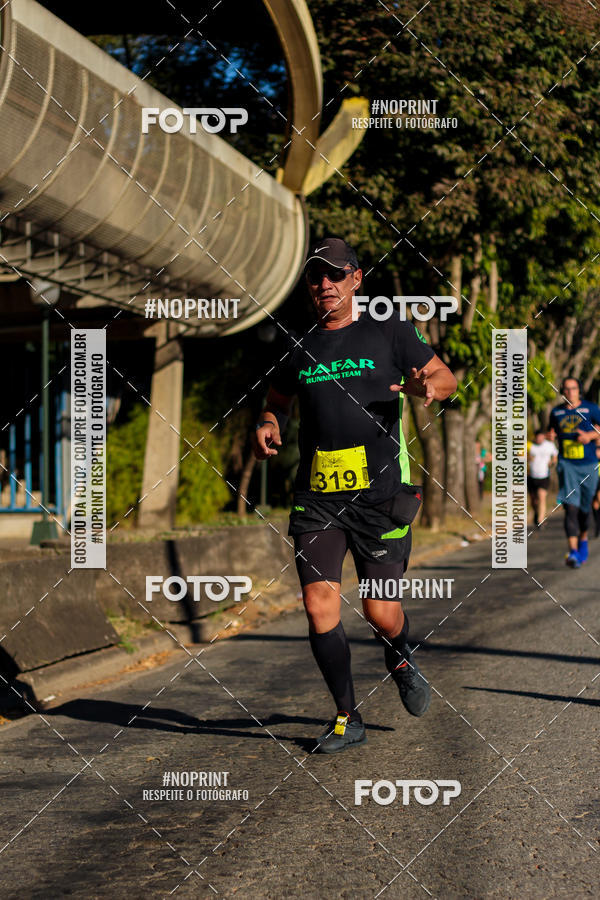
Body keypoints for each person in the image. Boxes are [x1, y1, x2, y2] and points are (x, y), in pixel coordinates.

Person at [252, 237, 457, 753]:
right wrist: (269, 422)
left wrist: (431, 387)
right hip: (318, 495)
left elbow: (444, 376)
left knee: (379, 612)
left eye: (335, 274)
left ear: (356, 279)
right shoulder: (299, 345)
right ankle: (348, 716)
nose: (325, 284)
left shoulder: (389, 331)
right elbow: (277, 400)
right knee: (318, 604)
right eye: (315, 276)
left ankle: (400, 655)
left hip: (381, 494)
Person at [548, 376, 600, 568]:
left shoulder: (591, 409)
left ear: (579, 390)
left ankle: (583, 537)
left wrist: (590, 436)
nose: (570, 392)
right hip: (567, 464)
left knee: (585, 510)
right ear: (562, 392)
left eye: (573, 388)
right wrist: (550, 435)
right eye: (566, 389)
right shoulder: (556, 412)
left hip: (588, 465)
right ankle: (573, 552)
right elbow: (551, 431)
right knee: (570, 507)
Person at [527, 429, 557, 527]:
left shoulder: (549, 445)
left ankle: (541, 520)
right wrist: (528, 458)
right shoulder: (529, 445)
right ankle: (536, 513)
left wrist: (552, 462)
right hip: (531, 476)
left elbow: (555, 456)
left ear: (544, 436)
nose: (539, 438)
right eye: (537, 437)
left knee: (541, 497)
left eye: (541, 436)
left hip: (544, 475)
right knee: (533, 500)